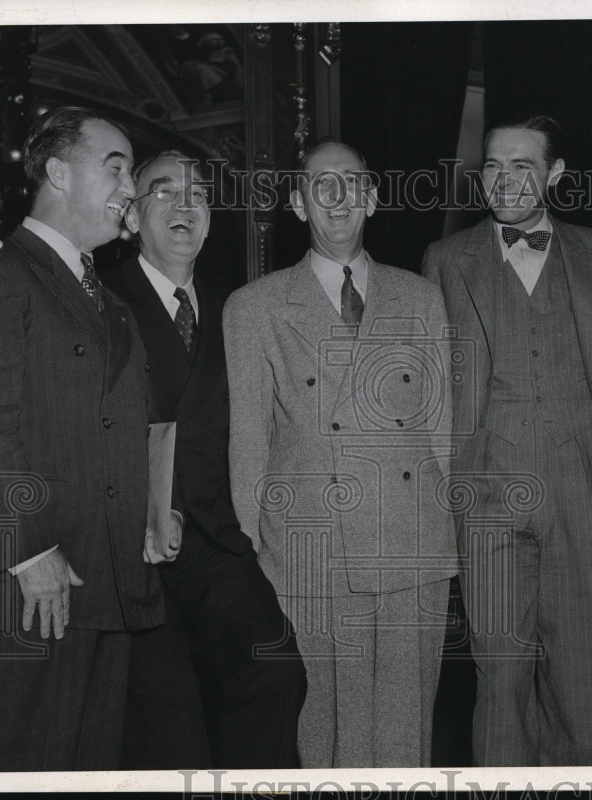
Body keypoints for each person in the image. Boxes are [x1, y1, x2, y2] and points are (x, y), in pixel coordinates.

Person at [0, 150, 308, 769]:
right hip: (119, 545)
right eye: (162, 191)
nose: (185, 206)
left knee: (274, 674)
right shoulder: (91, 292)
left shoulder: (240, 307)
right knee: (162, 725)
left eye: (198, 195)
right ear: (132, 212)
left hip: (212, 541)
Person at [0, 106, 178, 771]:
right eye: (115, 167)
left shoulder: (111, 301)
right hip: (20, 590)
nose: (132, 187)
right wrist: (29, 551)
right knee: (6, 769)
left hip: (101, 584)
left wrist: (151, 516)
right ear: (58, 172)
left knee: (82, 770)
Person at [421, 115, 592, 766]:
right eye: (494, 165)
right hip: (484, 482)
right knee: (499, 672)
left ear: (553, 175)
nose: (504, 178)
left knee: (584, 671)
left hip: (581, 480)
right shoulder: (446, 259)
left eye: (521, 165)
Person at [222, 139, 458, 767]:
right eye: (319, 185)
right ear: (299, 204)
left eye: (350, 183)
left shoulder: (420, 296)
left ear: (372, 199)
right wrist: (257, 559)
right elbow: (248, 442)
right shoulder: (253, 307)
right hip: (309, 550)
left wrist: (447, 536)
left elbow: (442, 430)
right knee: (328, 733)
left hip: (413, 544)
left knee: (406, 735)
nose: (336, 197)